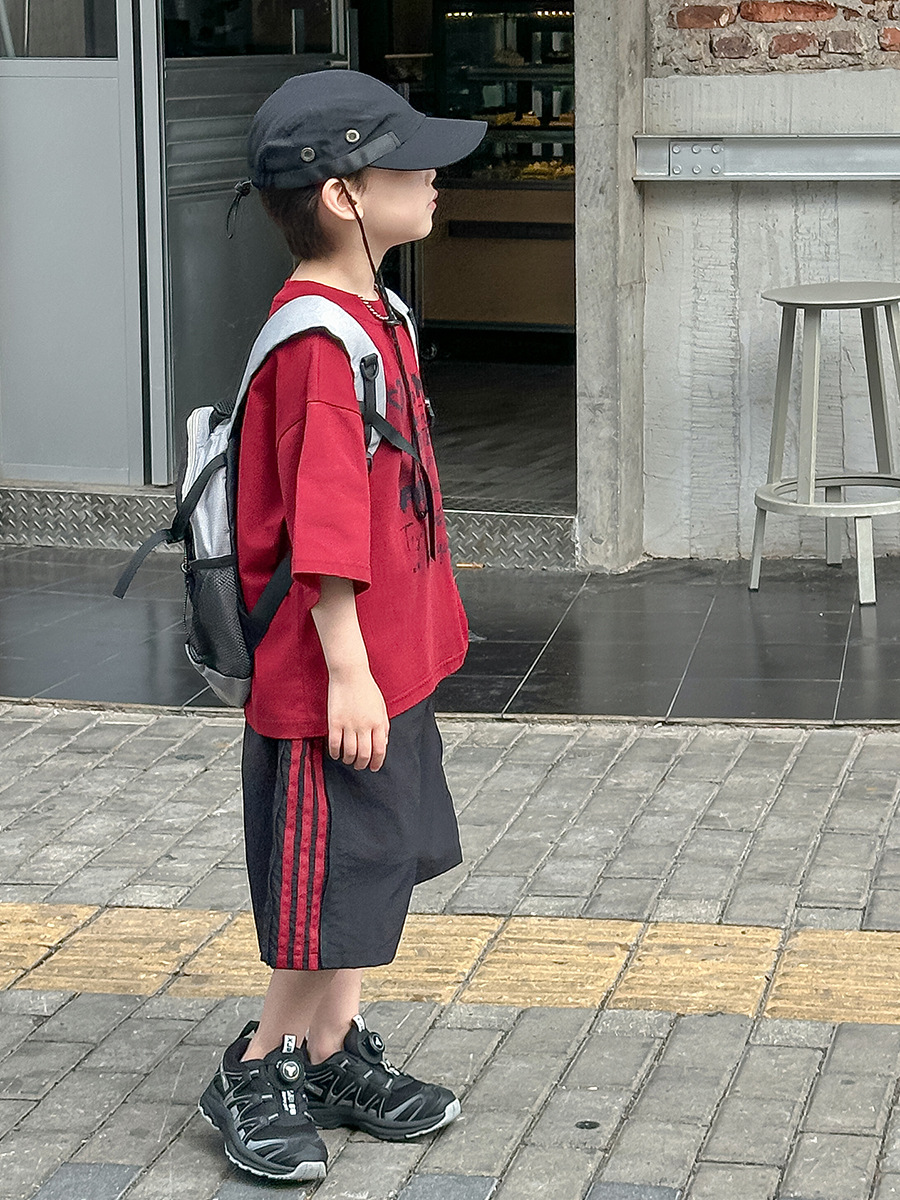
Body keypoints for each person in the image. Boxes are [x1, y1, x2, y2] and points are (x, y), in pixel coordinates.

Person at [197, 71, 486, 1182]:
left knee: (370, 866)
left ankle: (329, 1047)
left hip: (385, 663)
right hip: (335, 677)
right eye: (408, 161)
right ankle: (258, 1064)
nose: (433, 176)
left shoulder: (376, 315)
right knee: (324, 886)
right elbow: (324, 532)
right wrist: (350, 673)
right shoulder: (320, 341)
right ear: (343, 195)